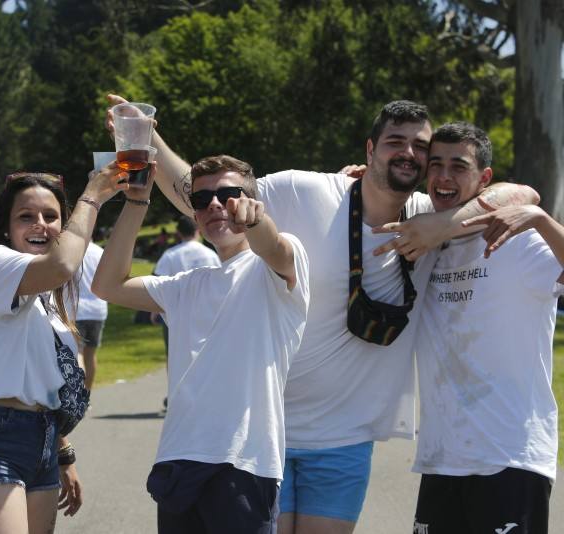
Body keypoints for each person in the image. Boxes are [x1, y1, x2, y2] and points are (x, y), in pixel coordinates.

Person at [106, 95, 540, 533]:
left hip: (345, 440)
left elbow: (519, 193)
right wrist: (149, 137)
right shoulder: (304, 190)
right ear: (370, 151)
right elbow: (204, 195)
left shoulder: (431, 214)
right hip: (267, 432)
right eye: (395, 141)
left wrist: (444, 226)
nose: (408, 152)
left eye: (420, 146)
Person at [93, 155, 310, 534]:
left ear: (253, 201)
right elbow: (106, 286)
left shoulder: (275, 266)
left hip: (242, 463)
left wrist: (256, 221)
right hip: (178, 459)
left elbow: (273, 247)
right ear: (194, 215)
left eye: (229, 195)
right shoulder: (186, 284)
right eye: (201, 199)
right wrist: (136, 201)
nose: (214, 204)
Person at [376, 122, 560, 534]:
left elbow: (525, 197)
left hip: (510, 457)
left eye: (458, 166)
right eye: (435, 164)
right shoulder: (425, 242)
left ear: (484, 179)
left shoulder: (519, 240)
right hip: (443, 459)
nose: (443, 176)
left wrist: (540, 219)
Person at [0, 166, 126, 534]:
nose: (41, 224)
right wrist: (92, 196)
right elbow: (63, 264)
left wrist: (63, 452)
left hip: (42, 440)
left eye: (51, 216)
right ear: (6, 227)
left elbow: (41, 378)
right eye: (27, 216)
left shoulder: (45, 298)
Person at [151, 215, 220, 408]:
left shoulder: (171, 255)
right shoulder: (210, 254)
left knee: (174, 355)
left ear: (178, 233)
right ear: (198, 230)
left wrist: (154, 311)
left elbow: (158, 282)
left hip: (176, 313)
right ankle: (205, 392)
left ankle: (175, 394)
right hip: (208, 311)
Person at [67, 239, 108, 392]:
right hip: (98, 309)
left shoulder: (71, 251)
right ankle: (87, 393)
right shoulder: (100, 252)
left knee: (78, 354)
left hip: (76, 309)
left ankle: (78, 396)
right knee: (90, 355)